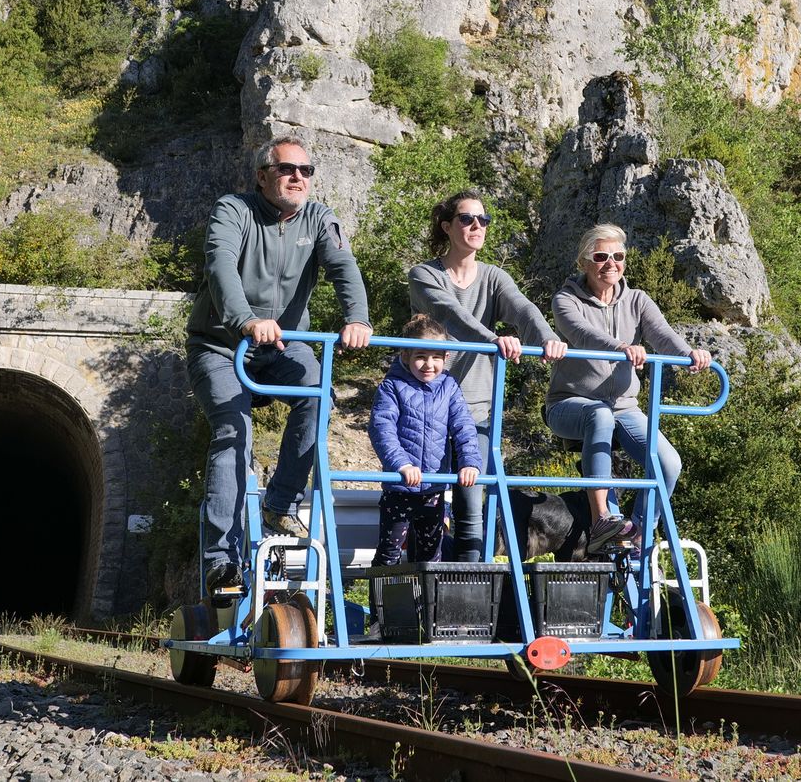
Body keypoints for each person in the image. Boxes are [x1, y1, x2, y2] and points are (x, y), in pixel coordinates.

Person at [186, 135, 372, 592]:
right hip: (222, 346)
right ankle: (220, 561)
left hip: (286, 345)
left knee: (318, 395)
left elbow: (343, 267)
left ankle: (280, 502)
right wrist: (246, 320)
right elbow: (221, 266)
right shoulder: (234, 210)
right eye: (287, 169)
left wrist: (358, 318)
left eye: (305, 171)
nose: (297, 178)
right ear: (263, 175)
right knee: (234, 432)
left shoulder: (319, 218)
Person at [408, 189, 566, 562]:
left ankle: (469, 586)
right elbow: (449, 315)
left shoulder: (494, 277)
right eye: (467, 218)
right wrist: (492, 338)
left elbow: (522, 308)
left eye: (483, 220)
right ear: (447, 226)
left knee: (471, 499)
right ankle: (417, 589)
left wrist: (546, 338)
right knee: (424, 498)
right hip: (426, 404)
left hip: (476, 405)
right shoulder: (424, 275)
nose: (477, 225)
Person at [546, 223, 711, 554]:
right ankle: (601, 520)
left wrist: (688, 354)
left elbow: (662, 334)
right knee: (599, 416)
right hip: (571, 403)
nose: (611, 263)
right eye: (601, 256)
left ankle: (638, 532)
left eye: (618, 256)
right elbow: (580, 334)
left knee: (667, 464)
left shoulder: (637, 300)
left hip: (624, 406)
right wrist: (620, 347)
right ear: (584, 263)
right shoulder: (566, 300)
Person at [367, 315, 482, 566]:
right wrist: (402, 465)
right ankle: (384, 604)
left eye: (436, 357)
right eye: (420, 356)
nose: (428, 364)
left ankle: (425, 605)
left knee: (430, 556)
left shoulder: (449, 386)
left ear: (446, 357)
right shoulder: (392, 386)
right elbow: (381, 429)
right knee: (389, 552)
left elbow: (463, 426)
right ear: (405, 355)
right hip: (400, 488)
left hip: (434, 489)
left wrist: (469, 462)